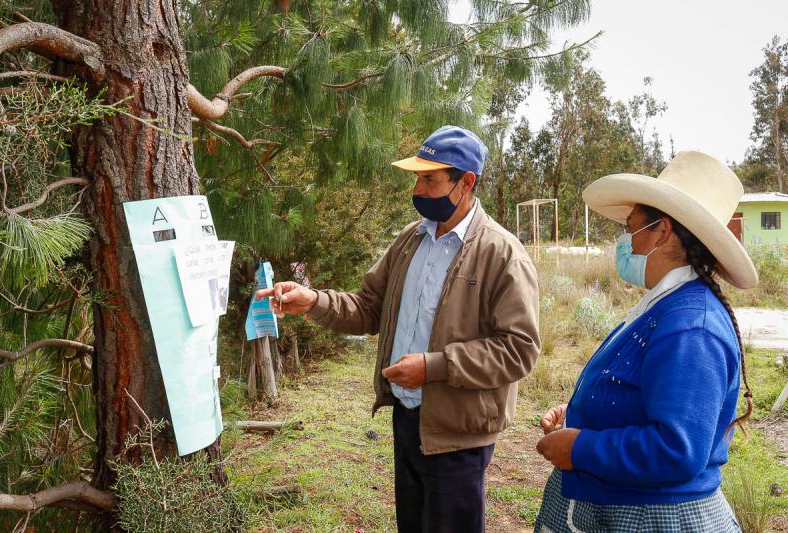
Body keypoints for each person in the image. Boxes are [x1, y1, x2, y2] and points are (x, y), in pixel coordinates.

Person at [256, 125, 540, 533]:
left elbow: (519, 349)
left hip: (459, 432)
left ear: (467, 182)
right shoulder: (411, 240)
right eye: (416, 178)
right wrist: (313, 300)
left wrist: (433, 367)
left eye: (430, 178)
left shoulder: (501, 253)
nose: (419, 189)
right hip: (407, 418)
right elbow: (369, 308)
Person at [534, 151, 757, 532]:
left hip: (648, 517)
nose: (625, 240)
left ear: (663, 232)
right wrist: (585, 411)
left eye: (631, 227)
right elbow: (648, 393)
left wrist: (579, 448)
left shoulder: (691, 326)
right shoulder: (668, 306)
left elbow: (676, 448)